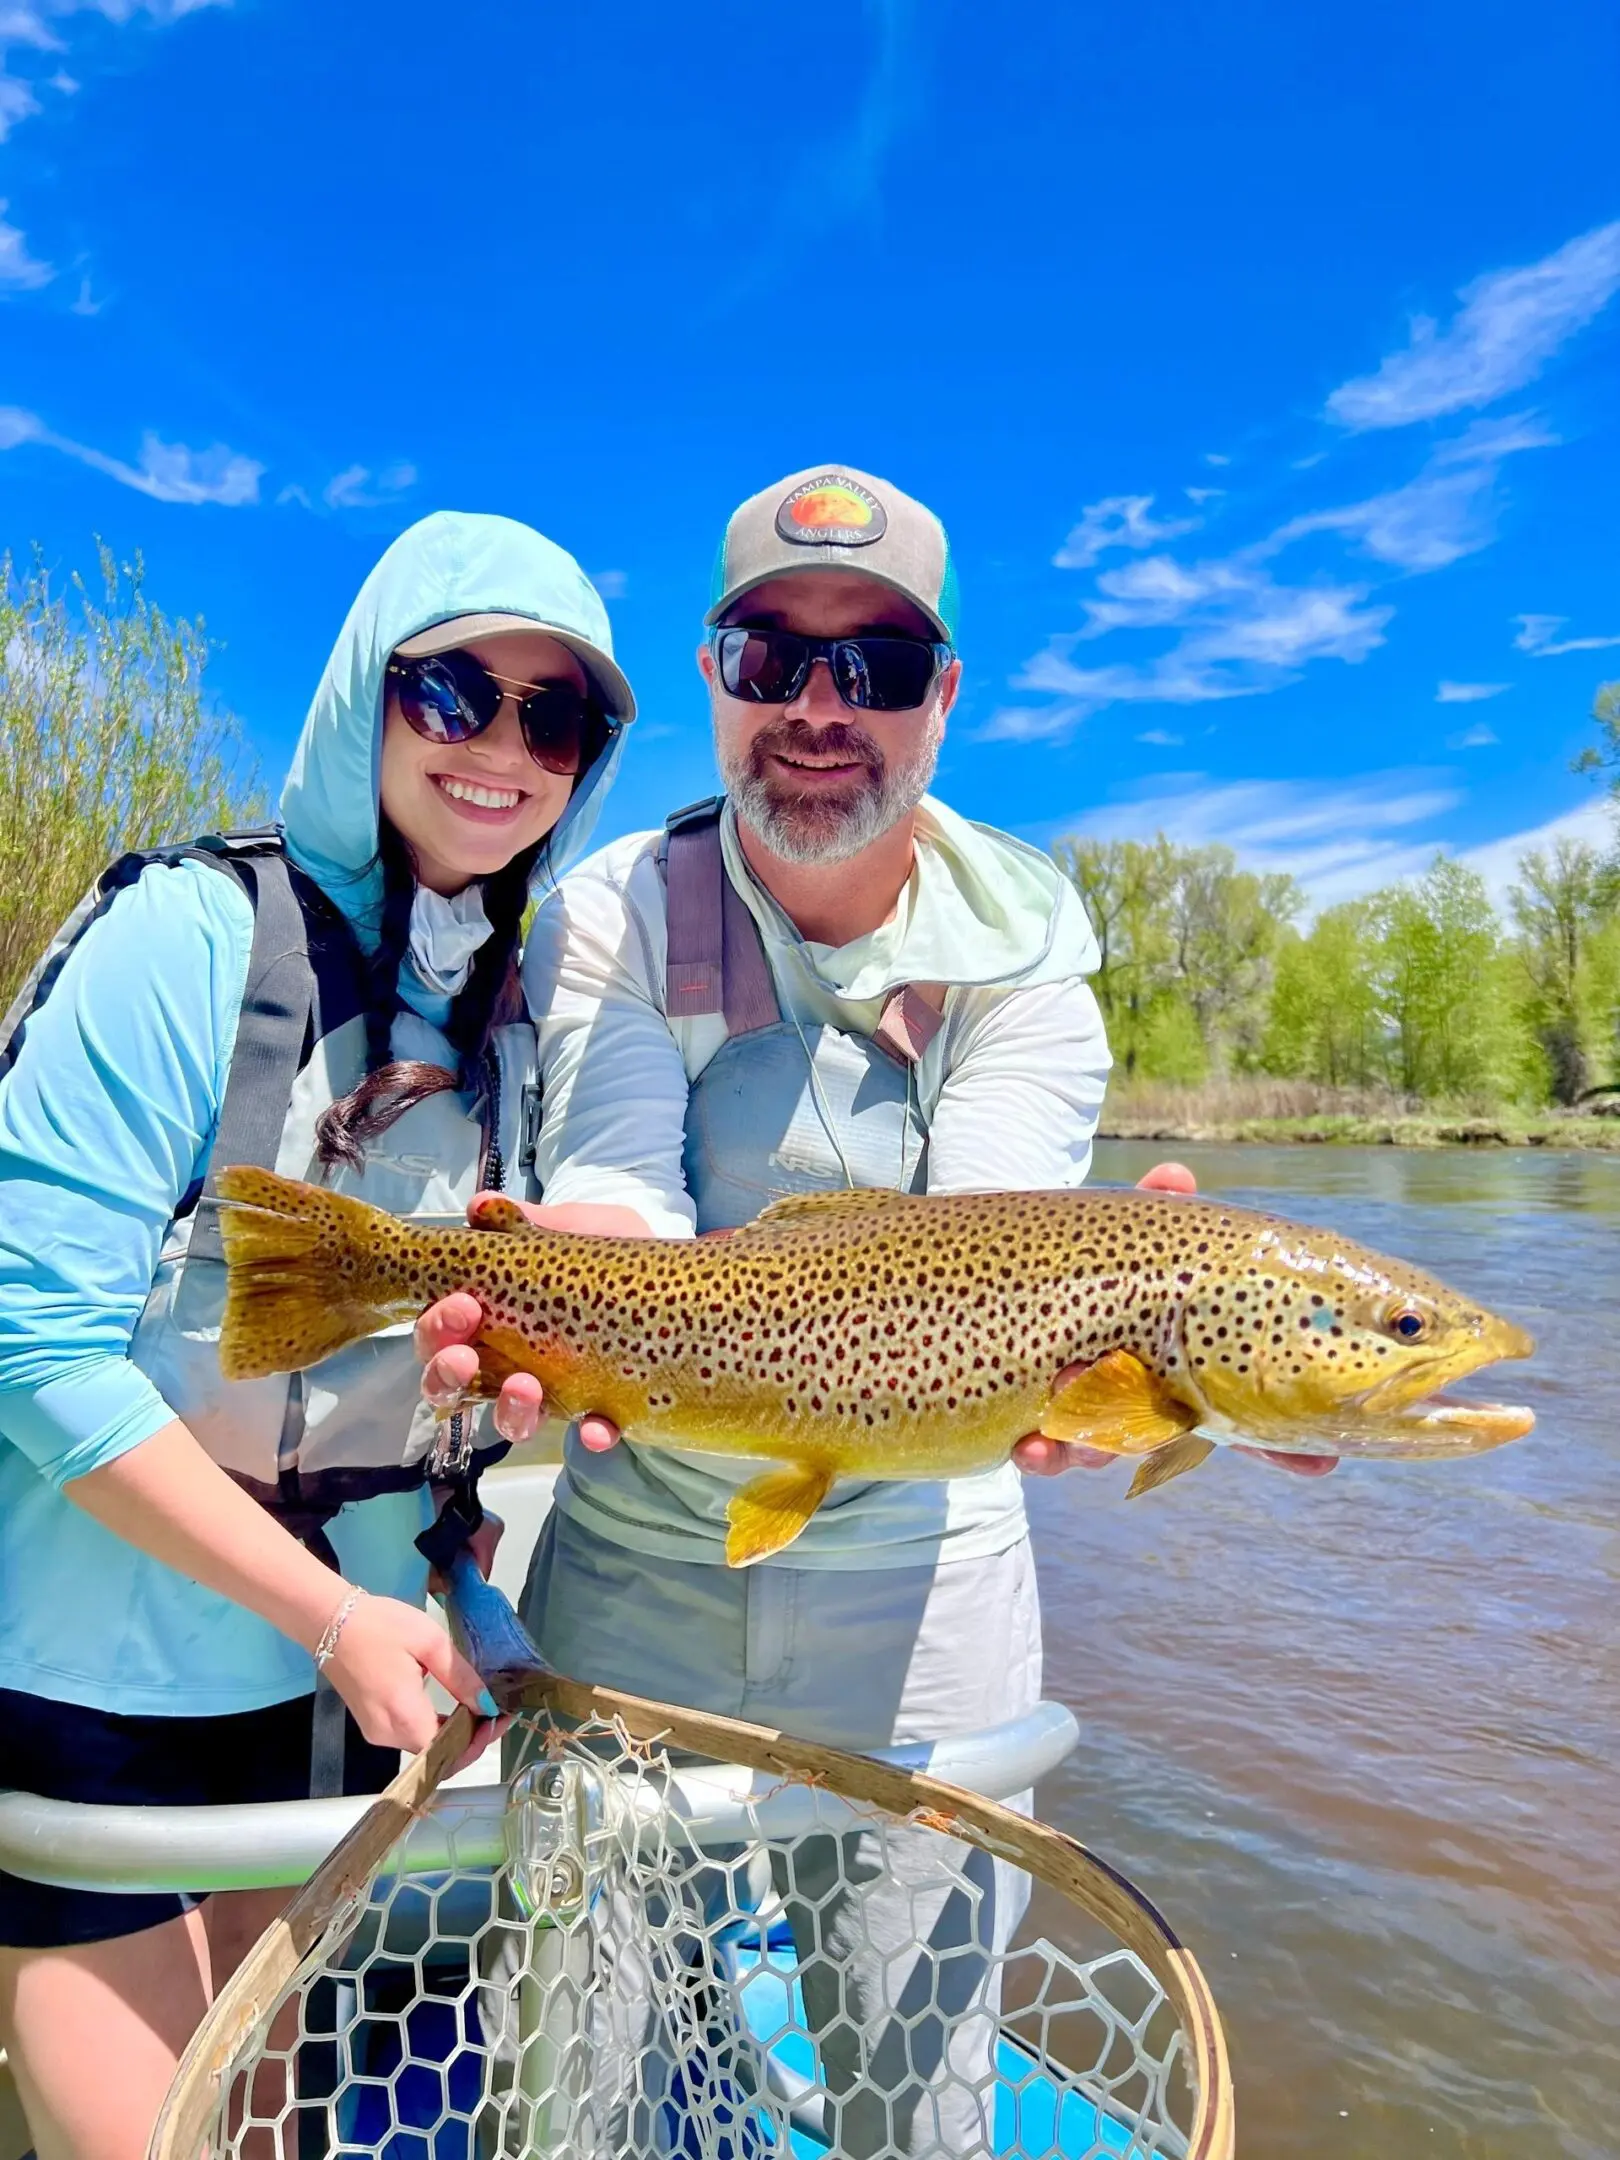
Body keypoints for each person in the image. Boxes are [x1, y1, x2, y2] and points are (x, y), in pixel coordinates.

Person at [412, 466, 1267, 2157]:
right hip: (635, 1570)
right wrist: (562, 1283)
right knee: (578, 2071)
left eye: (872, 667)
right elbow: (619, 1187)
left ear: (940, 700)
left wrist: (1166, 1360)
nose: (819, 709)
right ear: (716, 677)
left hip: (927, 1592)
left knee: (919, 2090)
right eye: (769, 656)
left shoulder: (1025, 944)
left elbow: (984, 1253)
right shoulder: (613, 911)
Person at [0, 510, 638, 2160]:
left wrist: (449, 1590)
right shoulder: (185, 936)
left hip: (354, 1672)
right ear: (369, 692)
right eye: (455, 695)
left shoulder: (507, 1016)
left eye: (553, 717)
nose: (503, 748)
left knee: (272, 2108)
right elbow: (28, 1342)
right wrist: (324, 1610)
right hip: (105, 1667)